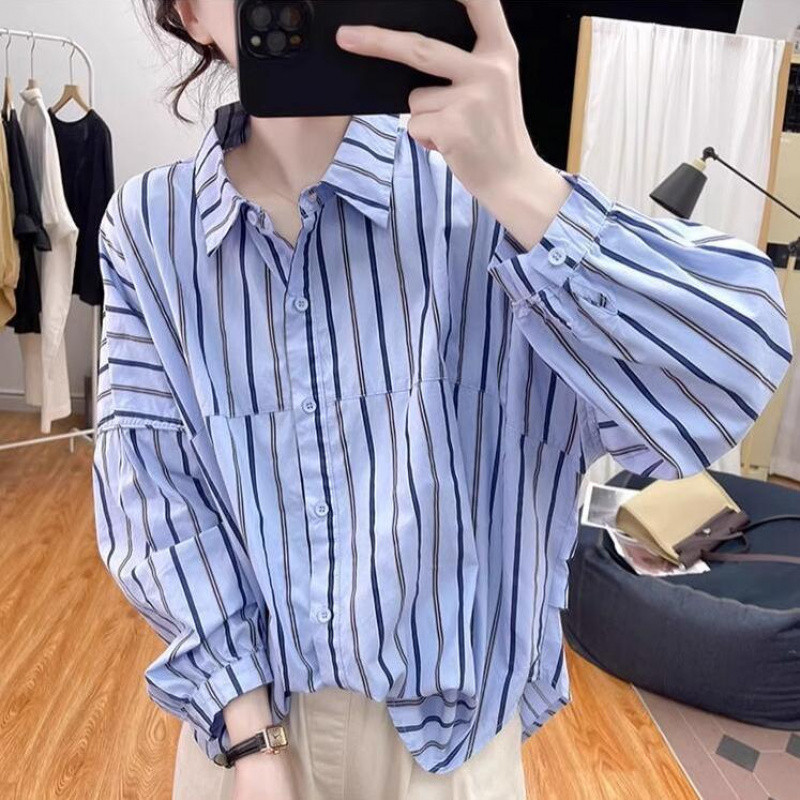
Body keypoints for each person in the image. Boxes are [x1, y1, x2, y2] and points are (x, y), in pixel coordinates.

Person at [91, 1, 793, 799]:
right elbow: (153, 494)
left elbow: (730, 375)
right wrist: (251, 738)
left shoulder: (487, 201)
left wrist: (519, 181)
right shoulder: (152, 229)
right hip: (247, 741)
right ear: (189, 12)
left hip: (450, 757)